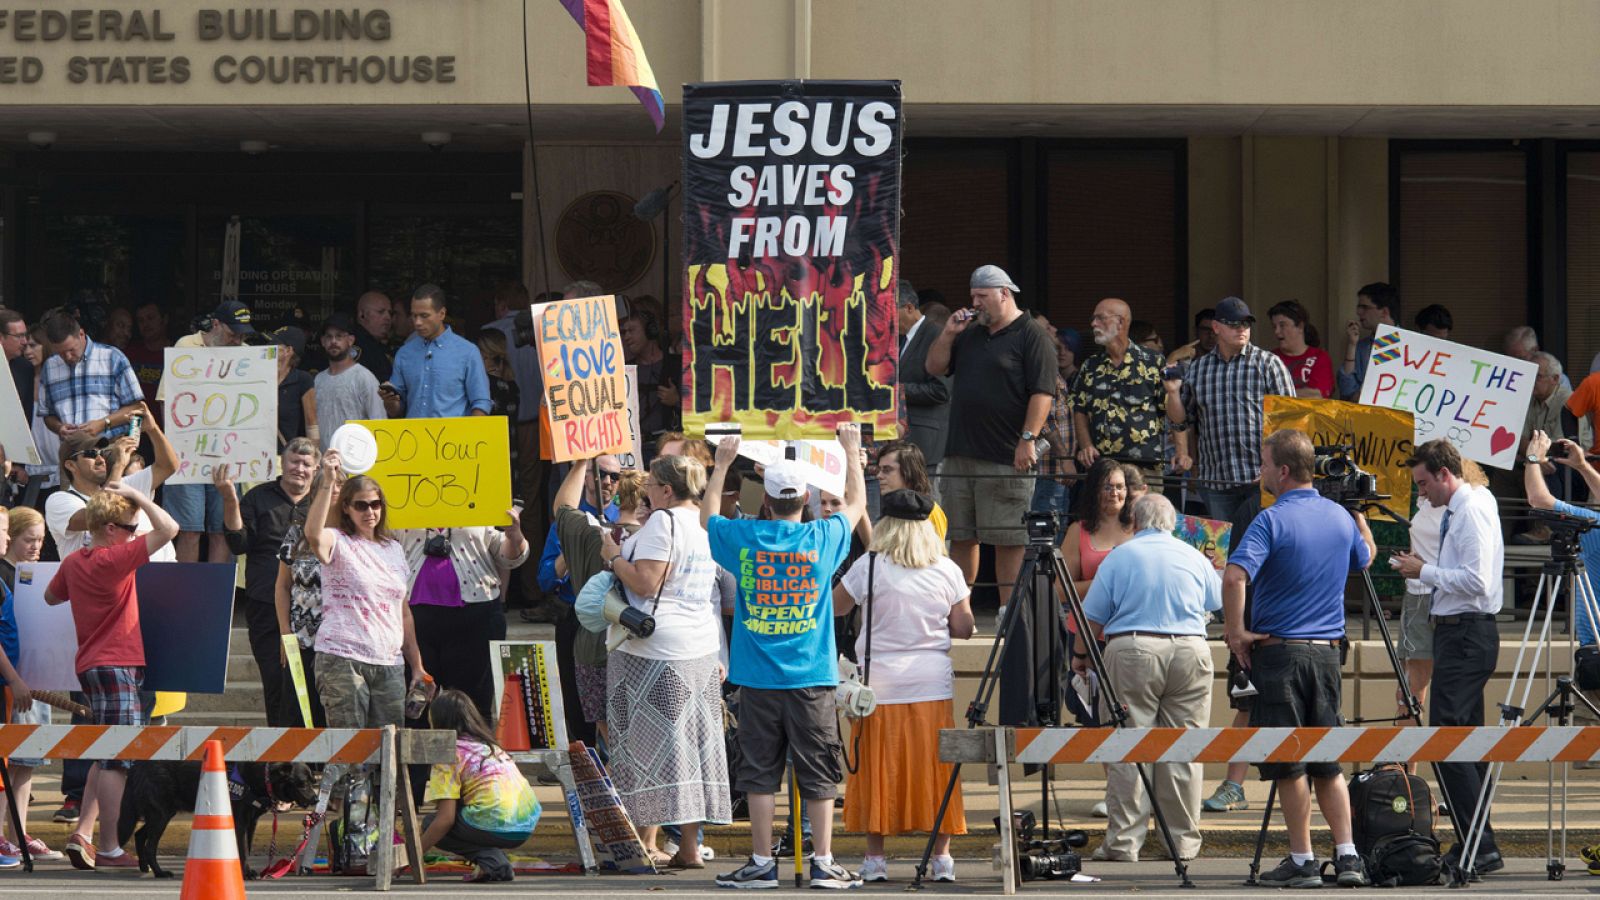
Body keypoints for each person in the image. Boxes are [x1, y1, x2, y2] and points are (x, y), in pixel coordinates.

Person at [703, 425, 867, 890]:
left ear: (768, 500)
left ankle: (760, 861)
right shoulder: (824, 537)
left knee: (758, 774)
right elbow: (855, 504)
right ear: (807, 498)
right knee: (819, 773)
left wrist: (720, 466)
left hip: (757, 678)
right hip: (812, 677)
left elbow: (707, 518)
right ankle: (824, 860)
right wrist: (852, 453)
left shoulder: (745, 539)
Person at [1222, 429, 1374, 888]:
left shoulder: (1269, 520)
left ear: (1283, 470)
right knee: (1328, 761)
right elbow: (1365, 559)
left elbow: (1233, 577)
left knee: (1290, 763)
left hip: (1280, 653)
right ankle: (1348, 856)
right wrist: (1358, 515)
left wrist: (1235, 635)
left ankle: (1303, 859)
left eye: (1265, 464)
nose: (1260, 472)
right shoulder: (1340, 518)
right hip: (1327, 654)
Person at [590, 454, 730, 869]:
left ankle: (636, 847)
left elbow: (646, 581)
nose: (646, 492)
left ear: (667, 490)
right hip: (700, 645)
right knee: (691, 746)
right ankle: (687, 846)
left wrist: (613, 555)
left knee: (643, 747)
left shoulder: (662, 523)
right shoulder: (707, 524)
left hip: (653, 649)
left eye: (652, 485)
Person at [834, 489, 973, 883]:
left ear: (885, 525)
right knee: (935, 769)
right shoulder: (946, 569)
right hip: (930, 682)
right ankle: (941, 857)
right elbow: (963, 627)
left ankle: (875, 858)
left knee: (879, 766)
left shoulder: (870, 566)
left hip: (879, 684)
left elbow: (837, 606)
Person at [46, 480, 181, 871]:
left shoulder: (75, 562)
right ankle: (108, 847)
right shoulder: (115, 559)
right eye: (129, 528)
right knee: (119, 759)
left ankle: (84, 835)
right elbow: (170, 529)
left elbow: (51, 598)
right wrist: (140, 497)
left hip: (89, 664)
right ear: (110, 530)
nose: (134, 534)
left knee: (104, 753)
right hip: (118, 661)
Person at [1078, 494, 1219, 862]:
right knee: (1184, 748)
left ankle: (1124, 842)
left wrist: (1080, 656)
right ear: (1172, 523)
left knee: (1130, 746)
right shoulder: (1194, 556)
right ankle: (1182, 841)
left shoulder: (1120, 556)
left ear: (1135, 522)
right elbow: (1215, 603)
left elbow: (1091, 619)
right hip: (1190, 648)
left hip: (1134, 649)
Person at [1389, 439, 1505, 876]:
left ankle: (1480, 841)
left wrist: (1425, 571)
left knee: (1448, 742)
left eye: (1423, 484)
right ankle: (1477, 840)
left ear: (1444, 474)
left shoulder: (1470, 508)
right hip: (1462, 633)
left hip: (1467, 632)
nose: (1421, 494)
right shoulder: (1473, 501)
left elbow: (1475, 580)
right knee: (1465, 743)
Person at [924, 265, 1057, 610]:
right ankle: (959, 610)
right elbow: (934, 368)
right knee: (961, 536)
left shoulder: (1032, 335)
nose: (975, 303)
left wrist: (1027, 438)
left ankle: (1007, 613)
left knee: (1007, 538)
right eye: (972, 296)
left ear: (1004, 293)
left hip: (1005, 455)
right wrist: (949, 333)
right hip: (959, 451)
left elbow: (1043, 393)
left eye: (982, 296)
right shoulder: (969, 333)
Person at [304, 451, 430, 805]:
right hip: (342, 656)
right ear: (347, 507)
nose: (369, 511)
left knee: (387, 753)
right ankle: (351, 835)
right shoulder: (337, 540)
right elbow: (312, 534)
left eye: (375, 504)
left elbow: (403, 611)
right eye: (360, 505)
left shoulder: (393, 548)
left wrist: (416, 664)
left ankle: (381, 829)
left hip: (389, 661)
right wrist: (327, 481)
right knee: (350, 752)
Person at [1166, 296, 1294, 539]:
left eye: (1246, 324)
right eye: (1234, 324)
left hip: (1260, 479)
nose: (1242, 330)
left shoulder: (1268, 364)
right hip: (1216, 481)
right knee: (1226, 552)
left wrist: (1277, 470)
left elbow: (1290, 422)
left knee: (1262, 546)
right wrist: (1172, 393)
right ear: (1217, 328)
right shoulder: (1199, 368)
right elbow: (1182, 420)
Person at [217, 439, 320, 727]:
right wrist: (229, 500)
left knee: (314, 686)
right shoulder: (258, 497)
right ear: (282, 463)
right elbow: (238, 543)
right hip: (265, 603)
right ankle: (279, 765)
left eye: (306, 464)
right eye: (293, 462)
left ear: (316, 469)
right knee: (276, 682)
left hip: (315, 610)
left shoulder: (323, 504)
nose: (299, 469)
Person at [398, 505, 530, 717]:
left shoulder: (477, 503)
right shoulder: (401, 506)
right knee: (415, 705)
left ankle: (473, 750)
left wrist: (515, 536)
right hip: (413, 619)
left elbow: (507, 558)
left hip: (475, 617)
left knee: (472, 707)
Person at [157, 300, 258, 564]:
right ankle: (184, 599)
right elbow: (166, 399)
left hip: (227, 450)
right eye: (233, 332)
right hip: (187, 452)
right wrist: (173, 448)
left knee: (221, 530)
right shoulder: (186, 346)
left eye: (243, 334)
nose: (238, 339)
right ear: (215, 324)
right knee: (188, 529)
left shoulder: (245, 353)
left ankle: (217, 602)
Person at [554, 461, 649, 741]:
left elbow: (562, 508)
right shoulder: (656, 541)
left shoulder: (590, 533)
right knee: (638, 740)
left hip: (591, 645)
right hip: (638, 647)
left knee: (612, 740)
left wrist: (580, 463)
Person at [420, 689, 540, 883]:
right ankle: (493, 863)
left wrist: (411, 857)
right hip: (525, 824)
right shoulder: (489, 746)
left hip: (494, 822)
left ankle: (493, 861)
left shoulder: (448, 753)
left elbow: (445, 820)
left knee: (430, 824)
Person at [0, 507, 61, 865]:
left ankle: (17, 833)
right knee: (11, 759)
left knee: (27, 760)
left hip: (30, 677)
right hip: (14, 680)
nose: (35, 546)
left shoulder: (32, 574)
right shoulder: (5, 574)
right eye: (27, 539)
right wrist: (14, 677)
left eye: (41, 540)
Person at [46, 404, 178, 561]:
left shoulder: (124, 485)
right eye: (90, 454)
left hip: (159, 574)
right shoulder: (59, 500)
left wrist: (153, 429)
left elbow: (167, 466)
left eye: (102, 453)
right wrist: (119, 465)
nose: (100, 459)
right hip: (98, 582)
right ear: (70, 465)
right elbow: (100, 514)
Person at [1071, 298, 1167, 482]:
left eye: (1100, 318)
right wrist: (1086, 445)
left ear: (1121, 322)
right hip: (1102, 466)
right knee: (1104, 511)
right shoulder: (1090, 365)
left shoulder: (1153, 362)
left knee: (1144, 511)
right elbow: (1079, 408)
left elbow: (1173, 411)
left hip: (1144, 468)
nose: (1093, 324)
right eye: (1093, 318)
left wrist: (1182, 452)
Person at [380, 284, 492, 419]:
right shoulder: (404, 353)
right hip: (414, 437)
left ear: (442, 314)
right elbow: (396, 410)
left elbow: (481, 403)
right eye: (414, 316)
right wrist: (389, 401)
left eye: (424, 316)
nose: (417, 322)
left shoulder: (467, 352)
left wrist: (467, 435)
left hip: (454, 438)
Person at [37, 306, 144, 441]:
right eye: (61, 353)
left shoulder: (113, 358)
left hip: (111, 447)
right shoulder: (50, 366)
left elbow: (138, 408)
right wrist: (59, 427)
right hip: (72, 453)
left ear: (81, 334)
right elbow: (48, 414)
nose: (68, 356)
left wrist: (103, 423)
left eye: (71, 350)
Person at [276, 480, 328, 727]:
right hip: (302, 640)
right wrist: (286, 634)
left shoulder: (352, 535)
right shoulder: (296, 533)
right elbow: (283, 586)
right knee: (299, 715)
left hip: (341, 645)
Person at [895, 278, 952, 472]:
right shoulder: (899, 340)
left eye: (891, 313)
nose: (887, 319)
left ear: (909, 308)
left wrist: (897, 389)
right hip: (900, 442)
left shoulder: (937, 336)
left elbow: (941, 390)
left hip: (925, 442)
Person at [312, 312, 387, 450]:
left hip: (356, 463)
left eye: (339, 336)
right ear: (323, 341)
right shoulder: (319, 380)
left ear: (351, 340)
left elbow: (379, 423)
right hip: (325, 464)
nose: (333, 341)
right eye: (329, 336)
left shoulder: (364, 377)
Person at [873, 440, 947, 539]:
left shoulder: (932, 512)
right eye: (879, 469)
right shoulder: (889, 508)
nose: (879, 476)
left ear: (908, 471)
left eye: (887, 470)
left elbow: (936, 553)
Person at [1338, 281, 1398, 401]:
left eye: (1364, 307)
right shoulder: (1361, 347)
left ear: (1384, 312)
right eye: (1359, 307)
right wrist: (1351, 345)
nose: (1358, 312)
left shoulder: (1409, 344)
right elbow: (1346, 390)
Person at [1268, 300, 1333, 399]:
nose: (1276, 331)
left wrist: (1275, 394)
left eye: (1282, 325)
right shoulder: (1268, 359)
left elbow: (1317, 395)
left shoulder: (1319, 357)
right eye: (1274, 327)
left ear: (1300, 326)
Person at [272, 326, 317, 449]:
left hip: (288, 460)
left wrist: (313, 461)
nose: (268, 348)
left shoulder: (302, 380)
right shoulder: (260, 377)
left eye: (274, 345)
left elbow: (311, 424)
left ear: (288, 351)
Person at [123, 301, 169, 407]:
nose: (146, 324)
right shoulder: (129, 354)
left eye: (151, 318)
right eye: (141, 320)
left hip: (166, 421)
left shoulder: (176, 354)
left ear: (165, 319)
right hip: (135, 421)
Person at [1505, 326, 1573, 392]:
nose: (1514, 363)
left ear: (1535, 350)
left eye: (1520, 358)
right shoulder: (1504, 377)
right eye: (1510, 358)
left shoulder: (1556, 379)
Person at [354, 290, 396, 383]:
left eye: (390, 313)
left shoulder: (377, 345)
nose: (388, 317)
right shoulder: (355, 344)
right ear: (362, 315)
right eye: (381, 312)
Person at [0, 310, 33, 421]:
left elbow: (26, 415)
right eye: (19, 336)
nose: (24, 341)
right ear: (1, 337)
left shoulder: (25, 368)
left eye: (25, 335)